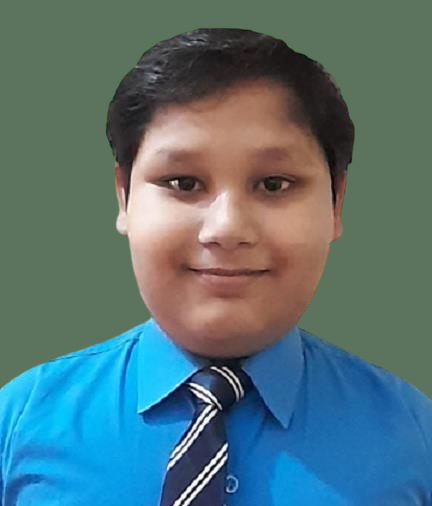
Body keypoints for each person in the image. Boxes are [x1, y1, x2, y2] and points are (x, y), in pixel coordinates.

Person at [1, 28, 431, 505]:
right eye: (183, 183)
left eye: (273, 184)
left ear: (336, 203)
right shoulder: (22, 419)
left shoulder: (414, 436)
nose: (226, 228)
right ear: (124, 196)